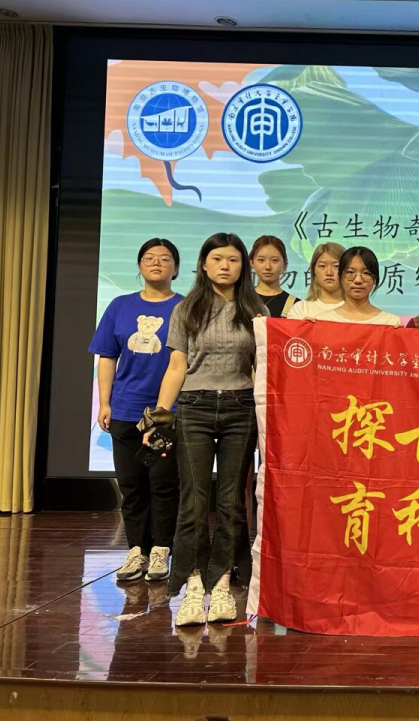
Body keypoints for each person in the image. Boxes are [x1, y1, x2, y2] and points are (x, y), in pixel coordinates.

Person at [147, 233, 269, 627]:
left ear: (243, 266)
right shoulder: (187, 308)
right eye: (217, 259)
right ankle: (193, 584)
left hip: (241, 409)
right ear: (203, 264)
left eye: (233, 260)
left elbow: (261, 369)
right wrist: (159, 417)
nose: (225, 266)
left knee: (232, 503)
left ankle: (222, 586)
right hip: (194, 409)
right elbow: (176, 367)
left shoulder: (256, 308)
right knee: (195, 502)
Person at [88, 238, 184, 583]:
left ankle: (161, 549)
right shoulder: (120, 306)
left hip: (167, 414)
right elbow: (107, 356)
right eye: (149, 258)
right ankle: (136, 550)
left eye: (165, 258)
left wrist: (166, 411)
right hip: (126, 410)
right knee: (131, 485)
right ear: (139, 265)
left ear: (176, 268)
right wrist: (105, 402)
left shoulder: (185, 307)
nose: (156, 263)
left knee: (162, 484)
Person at [312, 246, 401, 326]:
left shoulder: (390, 323)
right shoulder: (322, 321)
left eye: (366, 273)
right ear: (340, 277)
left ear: (374, 279)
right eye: (350, 272)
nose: (358, 280)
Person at [286, 242, 345, 320]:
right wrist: (302, 326)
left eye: (336, 266)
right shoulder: (300, 309)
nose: (329, 272)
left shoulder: (357, 311)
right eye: (322, 266)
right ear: (314, 270)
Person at [250, 235, 298, 318]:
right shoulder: (240, 301)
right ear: (252, 263)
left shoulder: (297, 306)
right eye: (261, 260)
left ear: (284, 264)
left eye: (275, 260)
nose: (268, 267)